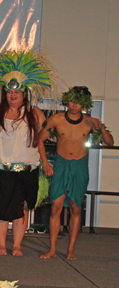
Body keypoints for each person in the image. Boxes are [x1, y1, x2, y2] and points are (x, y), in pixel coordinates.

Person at [0, 50, 56, 256]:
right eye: (9, 92)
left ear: (25, 94)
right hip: (2, 169)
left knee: (23, 208)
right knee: (1, 208)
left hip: (27, 170)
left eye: (17, 92)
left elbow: (48, 134)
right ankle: (2, 245)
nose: (13, 95)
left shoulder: (34, 113)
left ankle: (17, 245)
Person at [39, 86, 114, 260]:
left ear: (85, 104)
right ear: (67, 101)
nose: (75, 105)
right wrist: (45, 163)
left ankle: (71, 249)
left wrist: (101, 128)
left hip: (80, 166)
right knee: (55, 207)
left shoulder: (90, 122)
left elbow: (110, 142)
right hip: (61, 164)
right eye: (72, 101)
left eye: (79, 102)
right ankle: (52, 249)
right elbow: (40, 140)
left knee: (75, 208)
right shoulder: (56, 119)